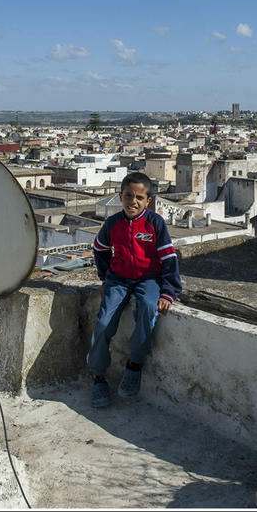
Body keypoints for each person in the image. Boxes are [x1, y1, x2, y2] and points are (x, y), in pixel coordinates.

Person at [87, 171, 182, 408]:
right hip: (118, 280)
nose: (133, 201)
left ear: (148, 201)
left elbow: (169, 258)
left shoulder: (155, 224)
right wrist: (105, 278)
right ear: (120, 196)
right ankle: (98, 376)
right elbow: (99, 249)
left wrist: (168, 292)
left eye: (140, 197)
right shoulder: (112, 224)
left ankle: (135, 364)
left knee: (148, 309)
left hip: (148, 280)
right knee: (104, 323)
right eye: (128, 196)